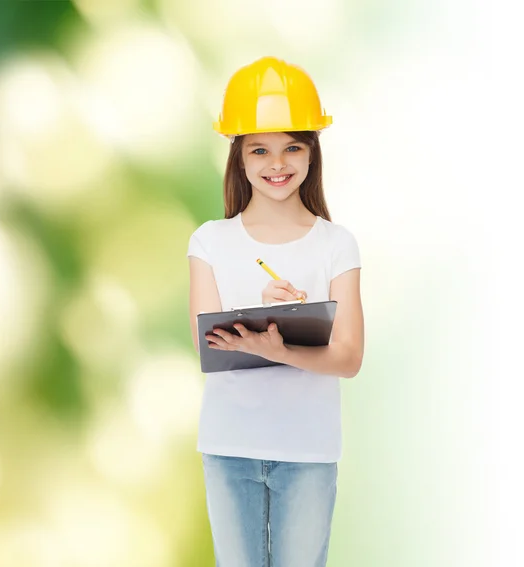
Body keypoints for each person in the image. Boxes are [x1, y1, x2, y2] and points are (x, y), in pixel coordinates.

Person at [187, 56, 364, 567]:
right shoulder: (210, 241)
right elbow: (207, 345)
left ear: (312, 154)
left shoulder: (337, 244)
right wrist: (263, 323)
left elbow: (348, 357)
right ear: (238, 158)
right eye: (259, 149)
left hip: (309, 450)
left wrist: (280, 346)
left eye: (292, 147)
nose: (277, 162)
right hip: (229, 446)